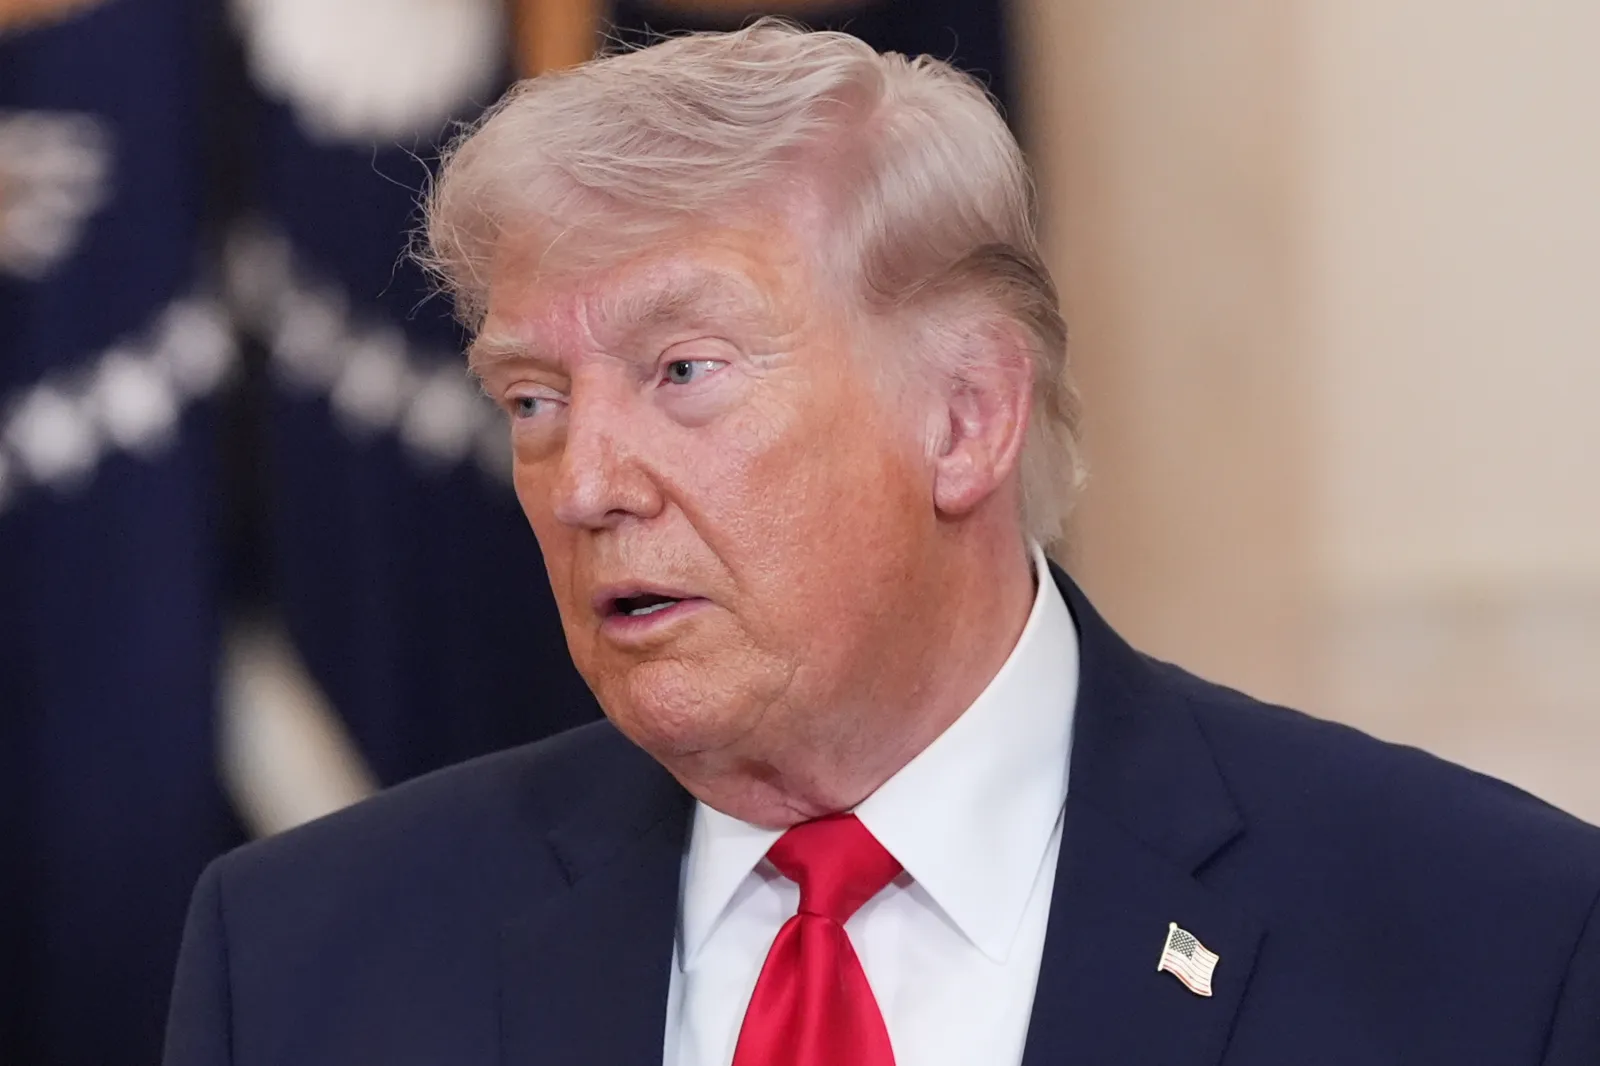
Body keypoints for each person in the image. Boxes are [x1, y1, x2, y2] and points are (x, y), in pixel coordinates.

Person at [164, 20, 1600, 1066]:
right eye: (532, 398)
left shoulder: (1490, 943)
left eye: (684, 372)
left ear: (965, 419)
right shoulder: (302, 963)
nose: (583, 477)